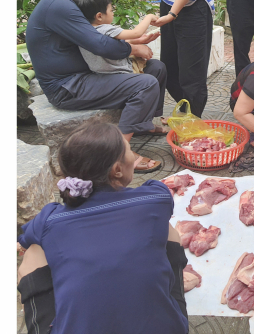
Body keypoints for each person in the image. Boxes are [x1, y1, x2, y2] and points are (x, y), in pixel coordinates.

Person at [17, 123, 188, 334]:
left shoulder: (49, 218)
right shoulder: (155, 199)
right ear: (117, 170)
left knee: (34, 251)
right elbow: (159, 194)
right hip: (167, 329)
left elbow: (22, 241)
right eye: (130, 151)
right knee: (168, 231)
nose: (135, 157)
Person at [25, 0, 165, 172]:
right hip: (68, 86)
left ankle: (142, 124)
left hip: (85, 76)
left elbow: (100, 39)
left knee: (156, 68)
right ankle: (118, 152)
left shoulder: (69, 1)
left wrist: (134, 46)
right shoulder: (59, 5)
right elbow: (101, 45)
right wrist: (133, 48)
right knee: (145, 83)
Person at [74, 0, 159, 74]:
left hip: (100, 74)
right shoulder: (105, 29)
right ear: (99, 16)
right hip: (123, 71)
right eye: (111, 10)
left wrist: (138, 41)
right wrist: (149, 17)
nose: (113, 13)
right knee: (153, 66)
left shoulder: (84, 32)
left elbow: (114, 43)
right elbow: (136, 33)